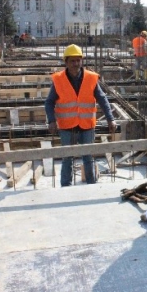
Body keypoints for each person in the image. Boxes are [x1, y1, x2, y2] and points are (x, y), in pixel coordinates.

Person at [45, 44, 116, 186]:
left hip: (86, 126)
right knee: (67, 158)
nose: (76, 64)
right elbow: (49, 102)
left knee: (88, 157)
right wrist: (51, 121)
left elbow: (102, 99)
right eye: (72, 61)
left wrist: (110, 119)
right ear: (66, 62)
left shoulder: (91, 78)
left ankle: (91, 185)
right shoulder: (59, 80)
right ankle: (65, 187)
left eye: (78, 60)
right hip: (67, 127)